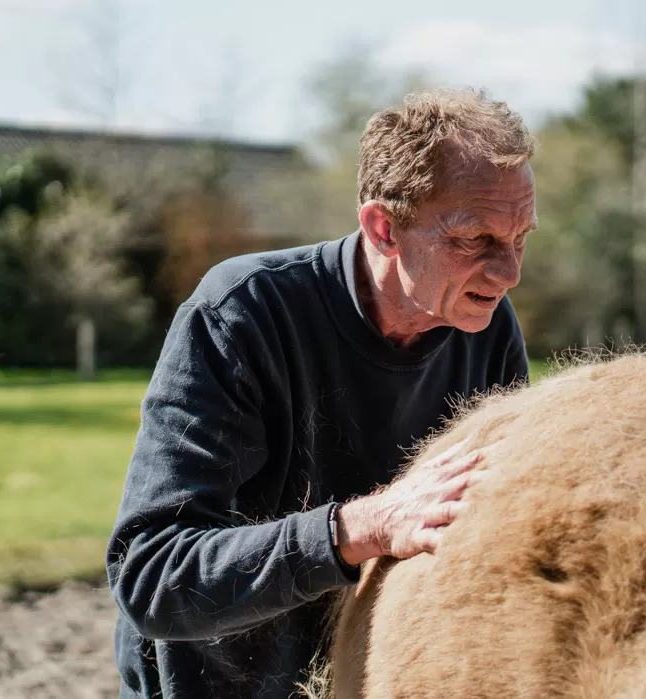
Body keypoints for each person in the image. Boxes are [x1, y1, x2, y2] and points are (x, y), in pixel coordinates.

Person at [105, 87, 538, 698]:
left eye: (520, 237)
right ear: (384, 228)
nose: (508, 272)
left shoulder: (487, 327)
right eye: (476, 239)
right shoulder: (241, 313)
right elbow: (153, 576)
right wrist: (363, 526)